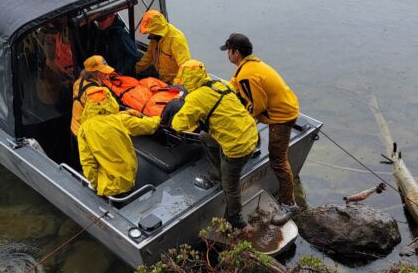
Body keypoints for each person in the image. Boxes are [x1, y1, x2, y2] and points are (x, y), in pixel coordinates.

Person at [220, 33, 300, 225]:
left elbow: (257, 107)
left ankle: (290, 204)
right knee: (246, 120)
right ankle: (255, 143)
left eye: (228, 51)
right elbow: (235, 85)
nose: (227, 55)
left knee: (278, 160)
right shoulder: (249, 66)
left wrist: (237, 121)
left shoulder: (247, 74)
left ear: (235, 53)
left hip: (281, 117)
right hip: (283, 107)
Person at [170, 60, 258, 232]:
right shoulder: (220, 84)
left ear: (186, 80)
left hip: (237, 147)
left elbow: (178, 124)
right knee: (205, 136)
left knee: (230, 185)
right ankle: (219, 172)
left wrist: (183, 104)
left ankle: (237, 220)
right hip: (250, 131)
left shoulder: (195, 98)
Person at [77, 86, 161, 196]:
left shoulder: (84, 128)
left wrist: (94, 183)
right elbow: (148, 126)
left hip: (106, 186)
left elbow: (87, 161)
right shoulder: (120, 120)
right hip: (127, 178)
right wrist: (158, 118)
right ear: (110, 101)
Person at [135, 9, 191, 84]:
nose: (149, 35)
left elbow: (184, 66)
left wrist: (176, 85)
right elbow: (148, 56)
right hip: (160, 77)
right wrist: (136, 69)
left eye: (151, 32)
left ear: (156, 31)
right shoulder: (155, 38)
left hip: (173, 81)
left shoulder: (176, 39)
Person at [70, 55, 118, 137]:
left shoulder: (79, 81)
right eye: (104, 73)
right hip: (84, 133)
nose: (107, 75)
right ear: (94, 73)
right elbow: (105, 116)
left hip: (74, 127)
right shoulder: (95, 93)